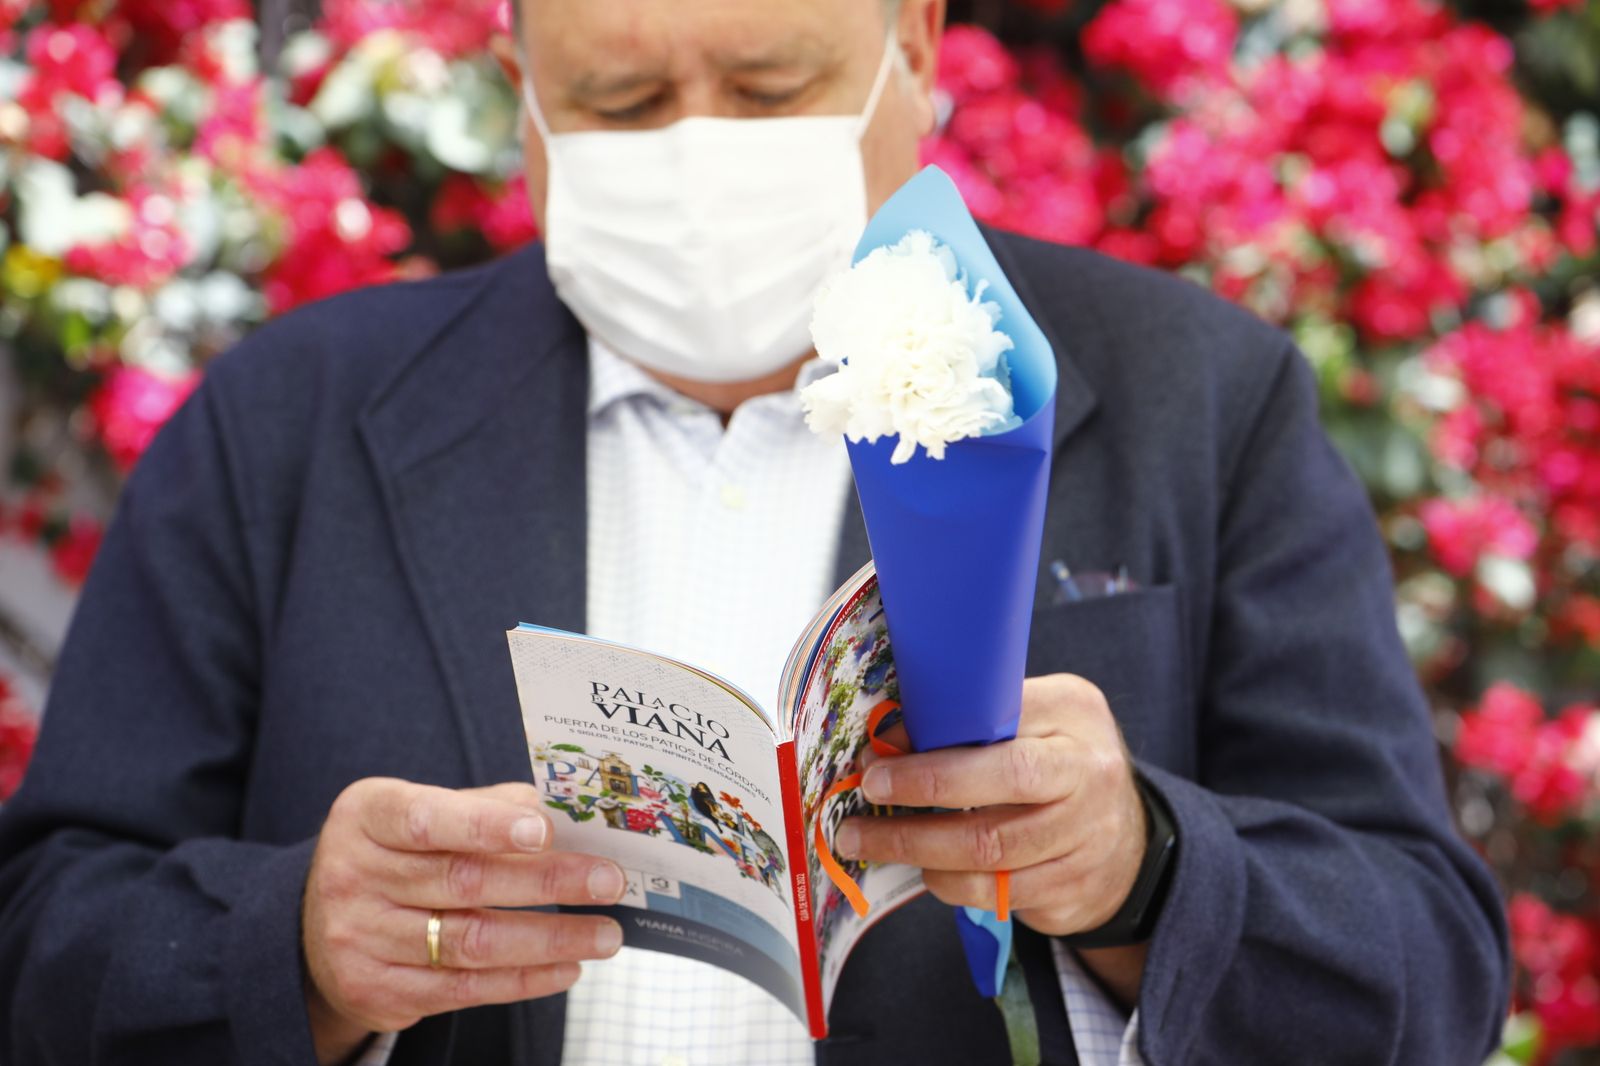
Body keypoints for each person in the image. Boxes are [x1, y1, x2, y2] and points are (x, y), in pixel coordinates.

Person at [0, 0, 1509, 1063]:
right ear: (522, 97)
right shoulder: (288, 420)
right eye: (621, 105)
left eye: (773, 85)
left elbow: (1423, 964)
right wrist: (296, 942)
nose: (698, 153)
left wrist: (1144, 863)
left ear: (910, 51)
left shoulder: (1197, 396)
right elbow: (47, 929)